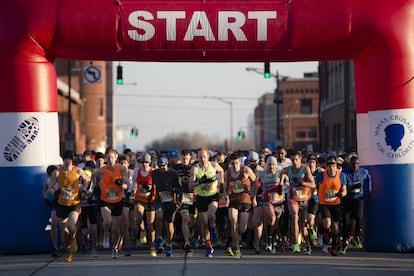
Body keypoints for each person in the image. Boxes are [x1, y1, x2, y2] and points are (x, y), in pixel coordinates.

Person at [49, 150, 90, 262]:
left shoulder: (78, 170)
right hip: (62, 204)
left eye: (69, 159)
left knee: (71, 225)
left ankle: (74, 241)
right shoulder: (57, 172)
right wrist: (53, 191)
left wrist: (84, 190)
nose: (67, 161)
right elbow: (51, 187)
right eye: (65, 159)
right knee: (64, 232)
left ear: (72, 160)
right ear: (63, 160)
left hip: (74, 204)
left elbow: (87, 179)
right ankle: (69, 251)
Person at [93, 148, 130, 259]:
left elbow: (127, 184)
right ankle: (106, 234)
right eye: (108, 158)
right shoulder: (102, 170)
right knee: (107, 221)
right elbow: (93, 173)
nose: (109, 160)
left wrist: (121, 184)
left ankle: (114, 247)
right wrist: (94, 186)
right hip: (105, 199)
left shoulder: (122, 169)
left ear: (116, 157)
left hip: (117, 200)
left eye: (111, 158)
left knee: (116, 228)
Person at [189, 147, 224, 257]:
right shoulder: (195, 169)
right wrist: (199, 182)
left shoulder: (213, 165)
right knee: (204, 224)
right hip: (201, 197)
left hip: (212, 195)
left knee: (211, 214)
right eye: (200, 157)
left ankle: (213, 227)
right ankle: (209, 246)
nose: (202, 159)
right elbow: (190, 185)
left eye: (204, 156)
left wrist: (221, 185)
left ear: (208, 157)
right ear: (198, 158)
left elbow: (222, 171)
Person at [281, 150, 315, 255]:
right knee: (294, 217)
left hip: (303, 199)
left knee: (302, 224)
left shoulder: (305, 169)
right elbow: (281, 173)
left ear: (300, 159)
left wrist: (302, 182)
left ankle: (308, 243)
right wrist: (281, 183)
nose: (295, 162)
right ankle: (295, 244)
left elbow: (313, 185)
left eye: (296, 160)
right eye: (292, 160)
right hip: (292, 198)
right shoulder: (288, 169)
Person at [223, 153, 257, 259]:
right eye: (232, 163)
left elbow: (255, 181)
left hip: (245, 201)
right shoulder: (227, 173)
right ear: (230, 164)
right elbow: (225, 188)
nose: (235, 166)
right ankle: (237, 249)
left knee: (242, 228)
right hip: (233, 201)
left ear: (239, 162)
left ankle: (233, 239)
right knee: (233, 221)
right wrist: (226, 196)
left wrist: (254, 196)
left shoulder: (246, 170)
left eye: (237, 163)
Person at [315, 156, 347, 256]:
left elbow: (344, 190)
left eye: (333, 165)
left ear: (336, 166)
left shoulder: (341, 176)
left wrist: (342, 194)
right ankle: (325, 244)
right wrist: (315, 194)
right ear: (326, 166)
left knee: (335, 227)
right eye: (329, 165)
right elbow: (315, 185)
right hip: (324, 203)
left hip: (336, 203)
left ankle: (333, 247)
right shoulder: (321, 175)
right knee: (327, 223)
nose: (331, 167)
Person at [340, 155, 372, 254]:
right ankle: (344, 243)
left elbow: (369, 178)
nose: (355, 166)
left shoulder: (364, 172)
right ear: (350, 164)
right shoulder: (344, 172)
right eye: (353, 164)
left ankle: (357, 236)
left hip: (359, 198)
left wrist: (369, 190)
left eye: (357, 164)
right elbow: (340, 182)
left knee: (358, 217)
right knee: (345, 221)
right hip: (347, 198)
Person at [152, 155, 182, 257]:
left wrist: (177, 202)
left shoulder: (173, 173)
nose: (161, 168)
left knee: (169, 223)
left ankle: (169, 244)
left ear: (167, 164)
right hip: (159, 199)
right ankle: (159, 238)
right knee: (159, 215)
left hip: (170, 200)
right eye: (159, 166)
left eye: (163, 166)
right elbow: (152, 187)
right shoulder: (154, 174)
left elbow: (179, 188)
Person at [256, 156, 284, 254]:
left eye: (273, 164)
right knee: (272, 218)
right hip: (267, 201)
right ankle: (270, 241)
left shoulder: (280, 173)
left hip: (278, 202)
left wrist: (282, 184)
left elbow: (286, 182)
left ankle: (271, 238)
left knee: (275, 223)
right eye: (269, 164)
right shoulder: (263, 174)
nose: (271, 166)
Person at [132, 152, 157, 256]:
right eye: (143, 162)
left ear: (150, 163)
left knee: (150, 225)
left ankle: (152, 247)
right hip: (139, 198)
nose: (144, 165)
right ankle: (142, 230)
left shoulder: (153, 172)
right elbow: (133, 183)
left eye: (147, 162)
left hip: (150, 199)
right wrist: (131, 190)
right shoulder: (136, 171)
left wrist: (150, 188)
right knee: (138, 216)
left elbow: (157, 185)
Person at [173, 149, 196, 254]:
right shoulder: (176, 169)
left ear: (190, 158)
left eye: (186, 158)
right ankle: (187, 242)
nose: (185, 160)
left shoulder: (195, 168)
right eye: (183, 158)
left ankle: (194, 236)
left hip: (195, 196)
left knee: (194, 220)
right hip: (183, 196)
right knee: (185, 218)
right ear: (180, 158)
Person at [79, 160, 99, 257]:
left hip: (88, 205)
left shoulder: (90, 181)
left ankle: (90, 244)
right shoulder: (81, 182)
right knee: (88, 225)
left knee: (89, 224)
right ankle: (89, 244)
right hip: (87, 205)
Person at [42, 164, 60, 257]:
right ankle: (55, 247)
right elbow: (44, 189)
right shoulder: (48, 181)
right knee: (53, 224)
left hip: (64, 202)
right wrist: (45, 199)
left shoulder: (62, 178)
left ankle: (66, 244)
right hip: (55, 203)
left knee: (62, 225)